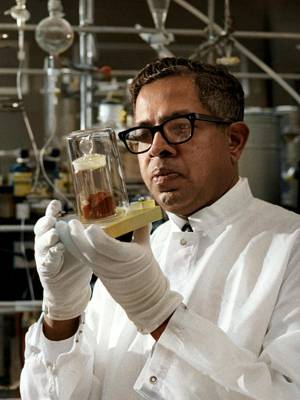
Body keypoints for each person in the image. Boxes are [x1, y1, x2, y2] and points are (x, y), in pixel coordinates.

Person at [20, 57, 300, 400]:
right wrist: (61, 315)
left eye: (180, 126)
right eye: (143, 133)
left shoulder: (290, 247)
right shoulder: (130, 256)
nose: (157, 148)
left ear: (235, 141)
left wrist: (160, 314)